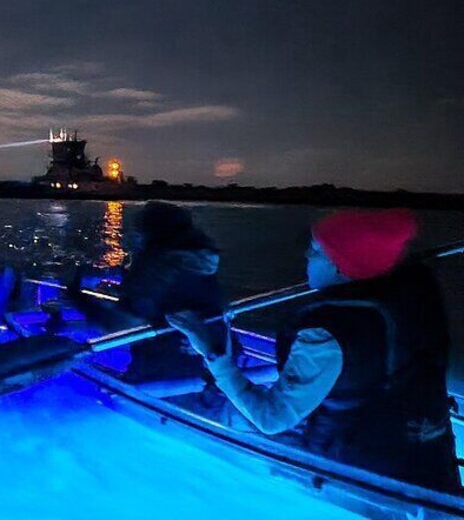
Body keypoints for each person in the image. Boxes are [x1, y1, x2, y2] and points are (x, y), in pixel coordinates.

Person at [166, 209, 461, 493]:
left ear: (340, 266)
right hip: (432, 461)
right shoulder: (416, 297)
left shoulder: (326, 333)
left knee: (225, 417)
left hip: (362, 480)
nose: (307, 256)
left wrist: (210, 351)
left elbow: (271, 418)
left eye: (315, 251)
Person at [72, 201, 230, 383]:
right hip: (215, 362)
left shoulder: (154, 262)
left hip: (165, 368)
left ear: (150, 231)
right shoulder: (202, 260)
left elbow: (125, 325)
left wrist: (79, 299)